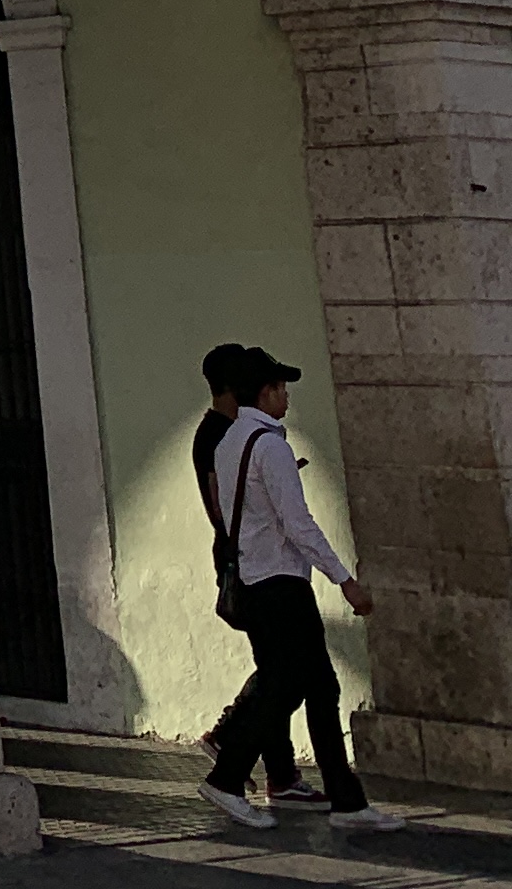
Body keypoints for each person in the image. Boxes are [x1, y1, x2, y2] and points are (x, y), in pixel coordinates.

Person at [199, 347, 405, 834]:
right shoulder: (269, 447)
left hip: (256, 579)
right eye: (281, 388)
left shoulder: (230, 443)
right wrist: (345, 580)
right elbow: (298, 524)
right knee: (288, 685)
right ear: (264, 392)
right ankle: (227, 777)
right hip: (281, 583)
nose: (287, 396)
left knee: (315, 686)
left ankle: (347, 800)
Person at [191, 347, 318, 809]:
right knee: (281, 668)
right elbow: (218, 503)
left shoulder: (227, 432)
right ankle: (232, 737)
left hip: (248, 559)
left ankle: (279, 773)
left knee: (276, 665)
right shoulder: (220, 436)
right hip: (249, 564)